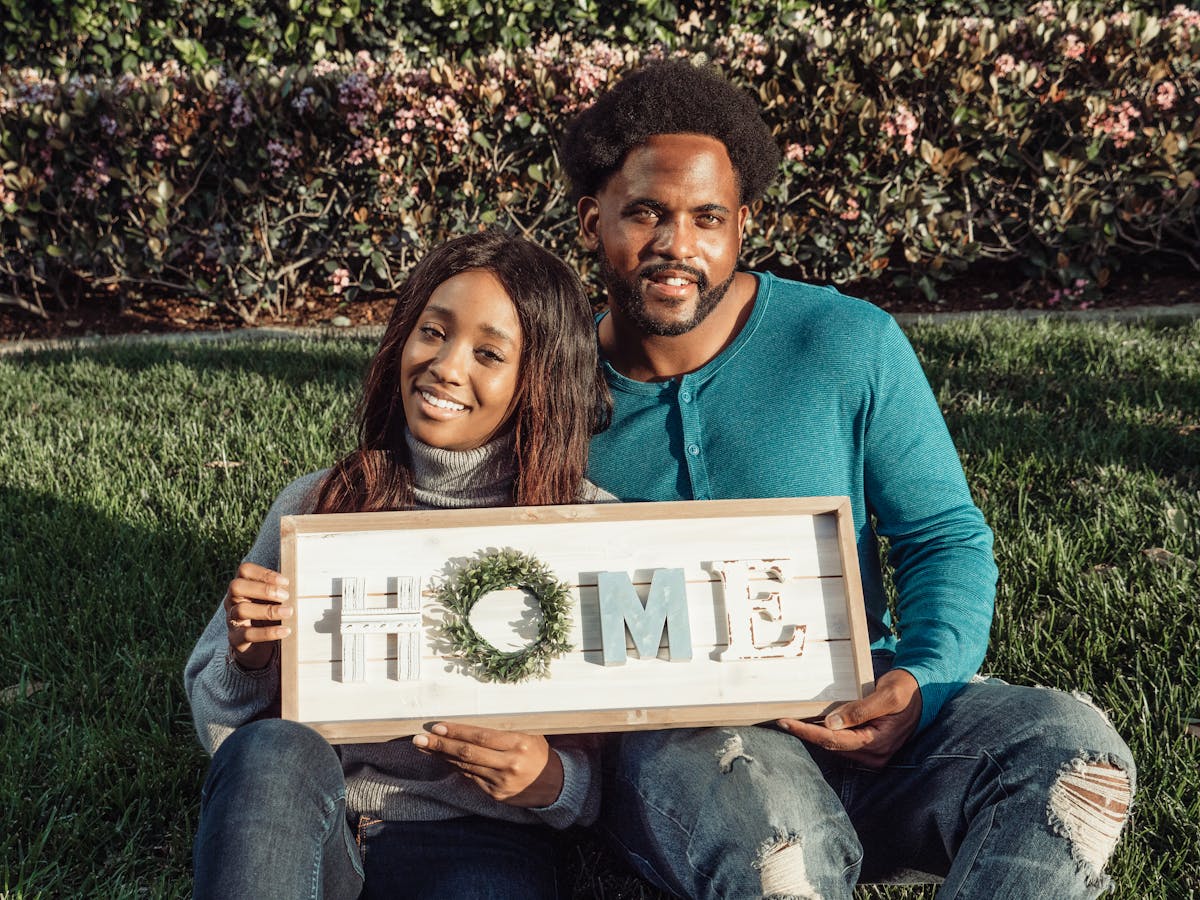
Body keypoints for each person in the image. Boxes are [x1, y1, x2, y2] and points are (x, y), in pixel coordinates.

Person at [560, 60, 1136, 899]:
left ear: (742, 226)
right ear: (592, 219)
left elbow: (944, 536)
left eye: (707, 218)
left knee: (1073, 757)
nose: (676, 245)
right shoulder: (545, 384)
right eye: (645, 212)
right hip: (693, 756)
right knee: (778, 846)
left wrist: (920, 681)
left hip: (870, 721)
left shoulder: (844, 340)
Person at [184, 229, 613, 899]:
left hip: (483, 843)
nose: (446, 365)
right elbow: (225, 730)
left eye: (489, 352)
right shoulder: (320, 505)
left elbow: (624, 756)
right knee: (270, 749)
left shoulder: (586, 528)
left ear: (542, 379)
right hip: (316, 823)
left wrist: (554, 779)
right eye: (433, 332)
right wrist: (248, 657)